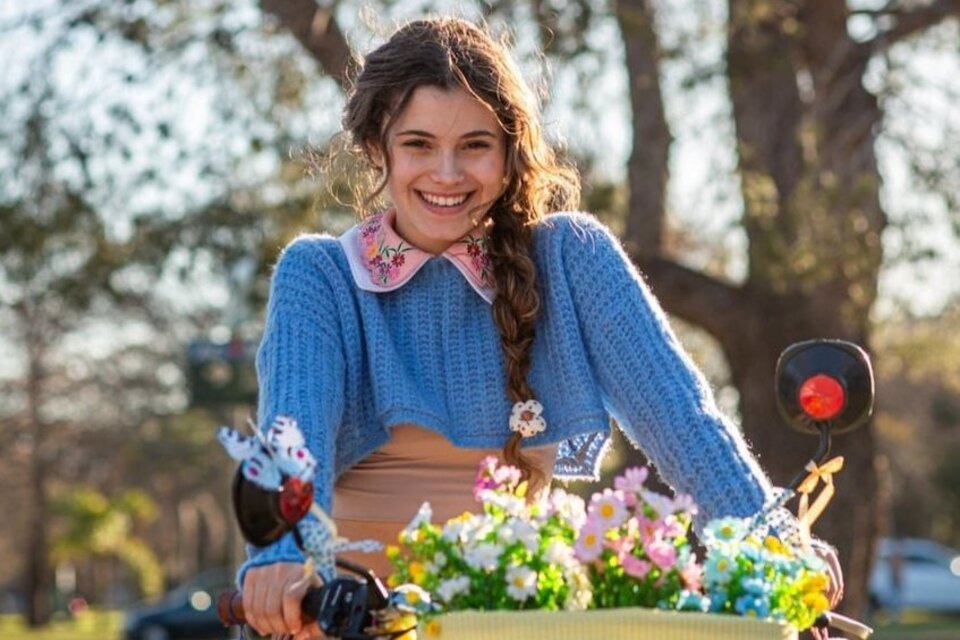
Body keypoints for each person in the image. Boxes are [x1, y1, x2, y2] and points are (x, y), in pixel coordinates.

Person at [238, 17, 842, 639]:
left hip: (519, 615)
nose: (447, 174)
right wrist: (282, 558)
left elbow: (686, 423)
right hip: (349, 618)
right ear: (377, 149)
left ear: (508, 155)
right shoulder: (321, 276)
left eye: (474, 145)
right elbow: (295, 445)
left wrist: (775, 545)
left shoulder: (571, 258)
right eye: (418, 144)